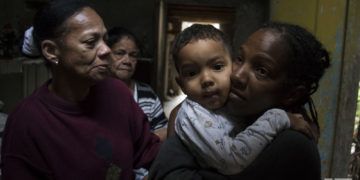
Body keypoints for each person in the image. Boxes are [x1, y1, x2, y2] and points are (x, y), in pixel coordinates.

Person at [149, 21, 330, 180]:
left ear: (291, 94)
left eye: (261, 71)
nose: (236, 75)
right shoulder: (225, 114)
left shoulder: (292, 146)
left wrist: (173, 148)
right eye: (239, 58)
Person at [1, 1, 160, 179]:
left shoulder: (117, 92)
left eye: (105, 40)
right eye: (91, 42)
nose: (106, 50)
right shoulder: (27, 122)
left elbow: (150, 152)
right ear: (51, 51)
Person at [106, 26, 168, 142]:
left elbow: (163, 129)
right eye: (120, 53)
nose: (127, 61)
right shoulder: (94, 90)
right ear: (106, 54)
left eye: (133, 55)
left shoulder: (147, 94)